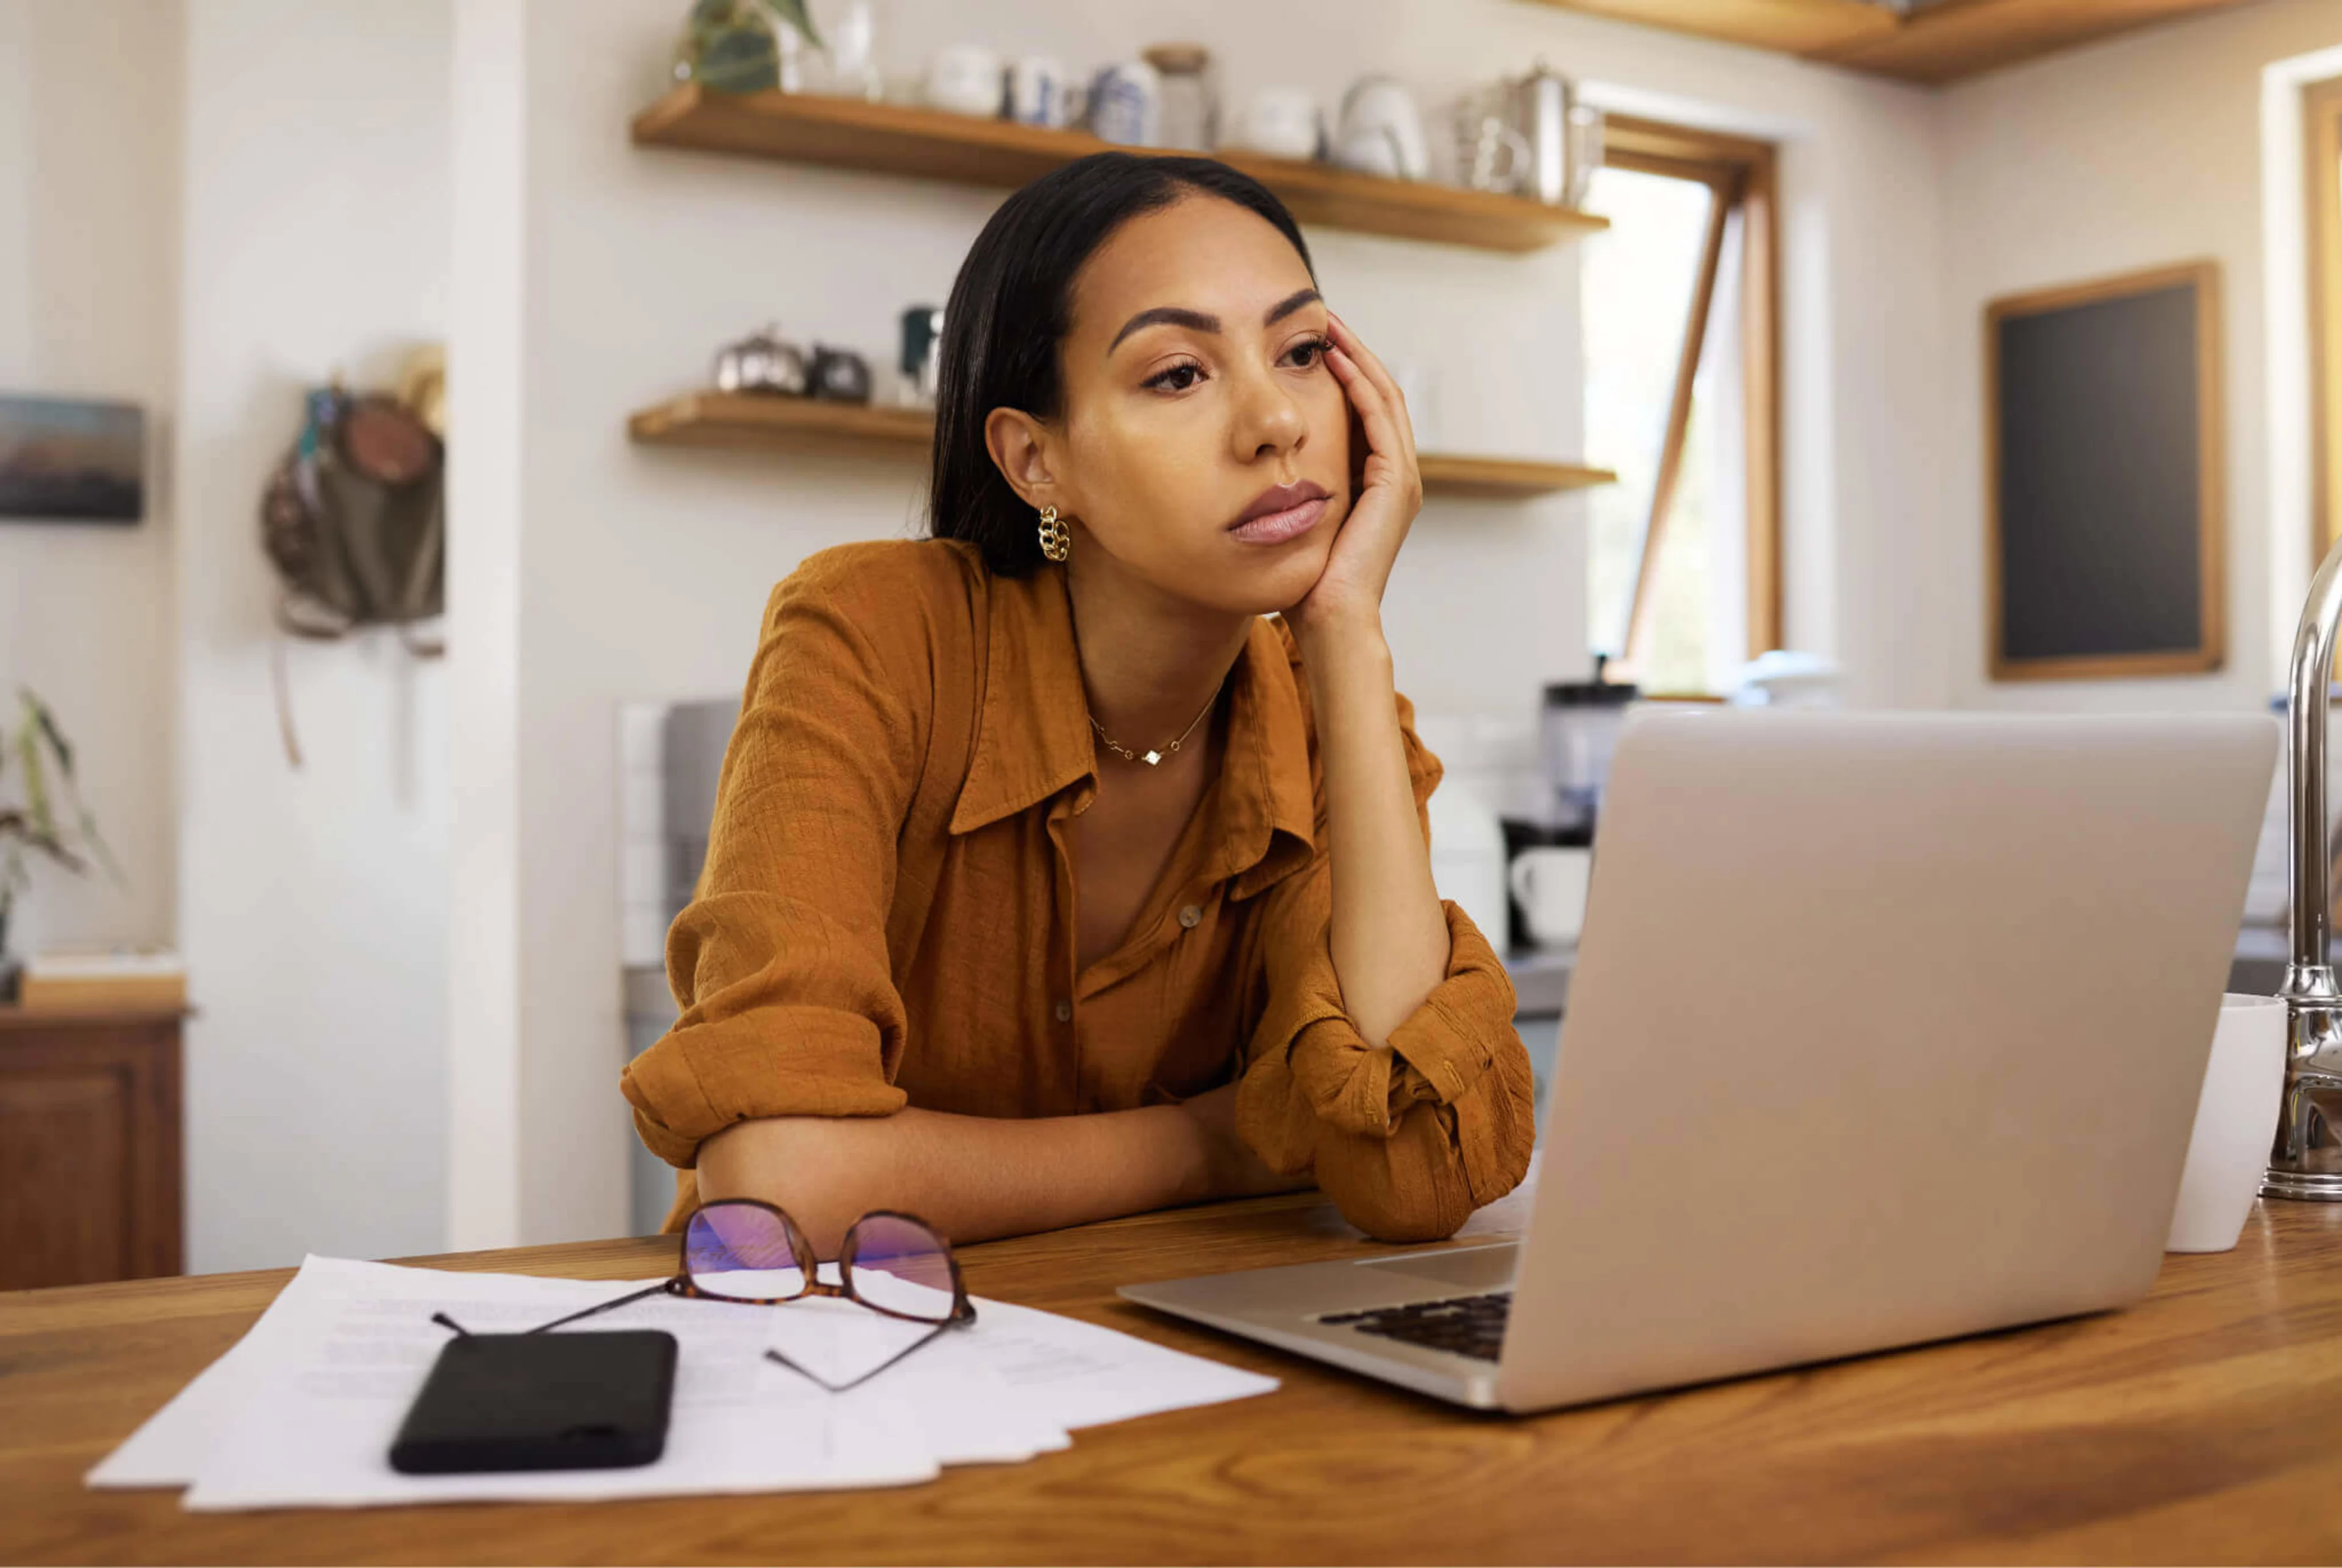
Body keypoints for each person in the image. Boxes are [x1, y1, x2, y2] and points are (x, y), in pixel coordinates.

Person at [621, 153, 1533, 1252]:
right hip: (826, 1360)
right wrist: (1231, 1138)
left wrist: (1346, 627)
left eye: (1301, 353)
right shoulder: (874, 629)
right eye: (1178, 375)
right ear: (1034, 459)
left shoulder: (1328, 702)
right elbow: (779, 1182)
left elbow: (1412, 1176)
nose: (1275, 424)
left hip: (1191, 1375)